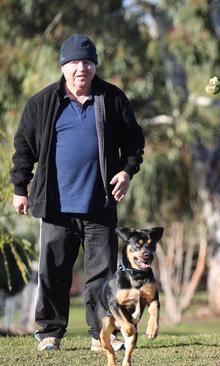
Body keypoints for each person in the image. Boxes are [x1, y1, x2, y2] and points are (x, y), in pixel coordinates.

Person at [10, 34, 145, 351]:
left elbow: (134, 143)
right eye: (73, 63)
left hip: (99, 204)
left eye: (87, 62)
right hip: (56, 207)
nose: (81, 68)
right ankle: (50, 334)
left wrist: (126, 172)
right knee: (53, 274)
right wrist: (20, 188)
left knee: (101, 275)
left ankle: (100, 334)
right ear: (63, 66)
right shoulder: (43, 102)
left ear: (95, 66)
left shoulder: (111, 99)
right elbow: (24, 149)